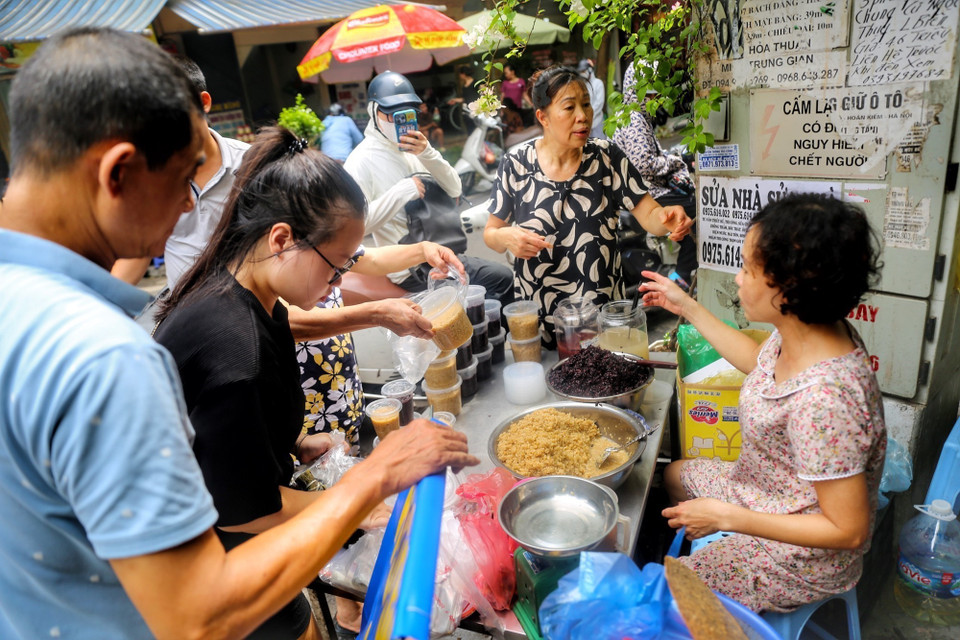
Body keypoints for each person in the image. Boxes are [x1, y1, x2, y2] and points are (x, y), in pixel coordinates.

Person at [0, 27, 477, 640]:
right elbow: (199, 614)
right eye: (183, 184)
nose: (188, 210)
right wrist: (376, 477)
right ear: (118, 172)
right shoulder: (104, 357)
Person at [641, 194, 886, 613]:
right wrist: (687, 307)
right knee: (677, 476)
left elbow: (849, 531)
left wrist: (727, 519)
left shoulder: (827, 399)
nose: (737, 279)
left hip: (800, 557)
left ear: (786, 287)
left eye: (747, 269)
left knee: (661, 599)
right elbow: (759, 363)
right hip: (766, 491)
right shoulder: (807, 327)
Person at [483, 66, 692, 348]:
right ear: (542, 117)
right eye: (569, 107)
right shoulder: (516, 163)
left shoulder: (607, 157)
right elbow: (491, 234)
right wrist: (507, 237)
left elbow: (650, 214)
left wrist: (668, 219)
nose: (583, 116)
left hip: (603, 318)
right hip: (541, 318)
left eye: (585, 104)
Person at [345, 70, 514, 303]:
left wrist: (427, 153)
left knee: (488, 289)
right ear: (375, 113)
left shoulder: (416, 149)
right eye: (392, 114)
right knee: (501, 278)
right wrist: (401, 192)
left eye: (407, 114)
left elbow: (455, 189)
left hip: (440, 250)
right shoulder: (361, 161)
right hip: (410, 267)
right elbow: (356, 228)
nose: (400, 121)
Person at [111, 56, 250, 290]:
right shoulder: (148, 179)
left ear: (203, 102)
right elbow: (140, 251)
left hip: (252, 313)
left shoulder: (253, 164)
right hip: (187, 314)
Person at [613, 60, 697, 287]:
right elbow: (644, 165)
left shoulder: (633, 116)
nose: (653, 101)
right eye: (649, 96)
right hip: (644, 191)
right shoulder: (633, 120)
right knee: (695, 208)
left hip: (645, 187)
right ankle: (683, 274)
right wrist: (675, 161)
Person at [578, 59, 606, 139]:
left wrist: (589, 114)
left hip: (597, 121)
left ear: (590, 70)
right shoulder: (583, 85)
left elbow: (599, 103)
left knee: (601, 144)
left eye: (583, 71)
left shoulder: (598, 83)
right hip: (586, 122)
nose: (582, 73)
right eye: (581, 71)